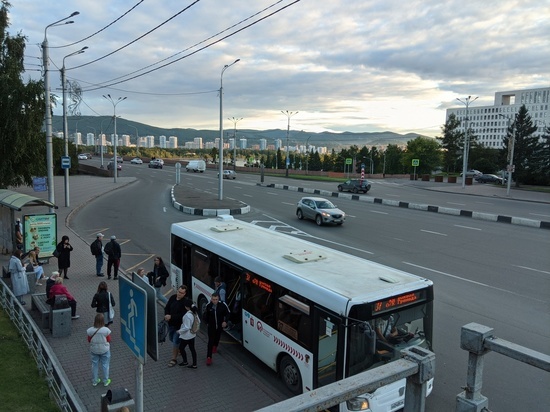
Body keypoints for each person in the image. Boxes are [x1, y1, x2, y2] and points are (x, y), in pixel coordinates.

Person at [203, 292, 230, 366]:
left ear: (218, 299)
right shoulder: (209, 306)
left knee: (217, 337)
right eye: (213, 299)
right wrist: (207, 322)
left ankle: (215, 345)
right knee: (210, 341)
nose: (214, 301)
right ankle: (209, 357)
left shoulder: (223, 305)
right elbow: (205, 315)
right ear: (211, 299)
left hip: (219, 326)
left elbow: (228, 313)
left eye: (216, 299)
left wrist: (225, 321)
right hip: (211, 326)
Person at [164, 285, 188, 367]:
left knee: (175, 342)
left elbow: (182, 315)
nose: (179, 294)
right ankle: (180, 349)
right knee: (171, 338)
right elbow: (167, 307)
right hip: (170, 324)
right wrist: (167, 314)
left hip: (179, 327)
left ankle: (173, 359)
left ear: (184, 294)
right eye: (178, 291)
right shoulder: (172, 297)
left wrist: (171, 316)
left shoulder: (185, 302)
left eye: (181, 293)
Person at [87, 313, 112, 387]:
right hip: (104, 350)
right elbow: (109, 339)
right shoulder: (106, 330)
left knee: (94, 365)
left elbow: (89, 340)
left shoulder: (90, 330)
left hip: (94, 350)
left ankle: (95, 381)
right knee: (105, 365)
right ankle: (106, 381)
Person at [177, 299, 199, 369]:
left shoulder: (187, 315)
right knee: (192, 349)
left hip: (186, 336)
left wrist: (179, 331)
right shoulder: (195, 312)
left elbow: (187, 327)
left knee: (181, 348)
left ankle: (185, 362)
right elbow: (199, 321)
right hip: (193, 334)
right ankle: (194, 364)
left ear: (186, 307)